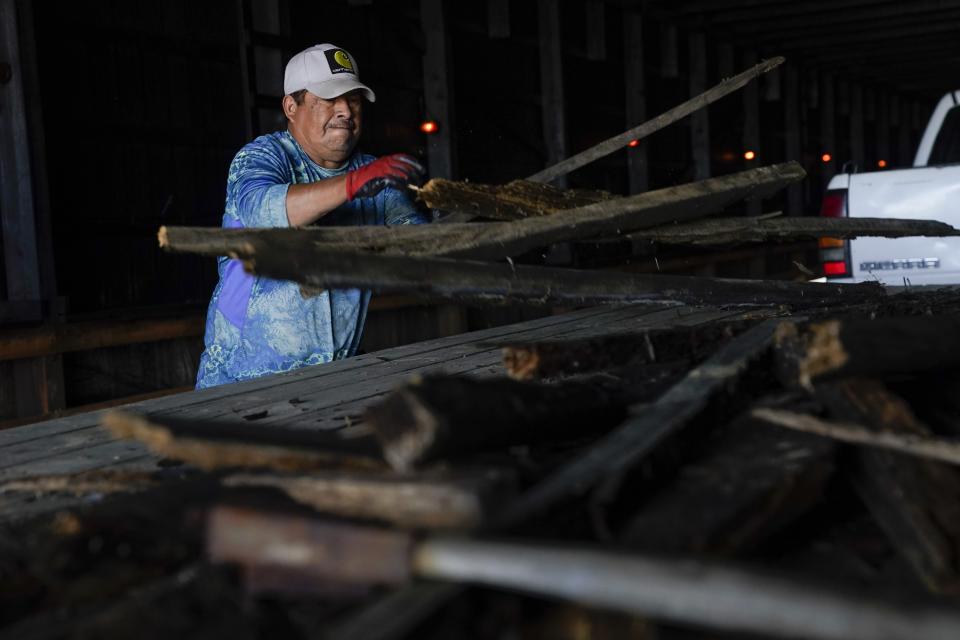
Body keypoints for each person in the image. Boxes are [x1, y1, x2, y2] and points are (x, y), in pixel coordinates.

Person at [196, 43, 428, 389]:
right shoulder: (262, 157)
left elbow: (421, 246)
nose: (345, 111)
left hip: (333, 379)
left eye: (353, 100)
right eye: (329, 99)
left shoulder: (376, 174)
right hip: (243, 381)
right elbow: (262, 209)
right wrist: (351, 185)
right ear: (291, 106)